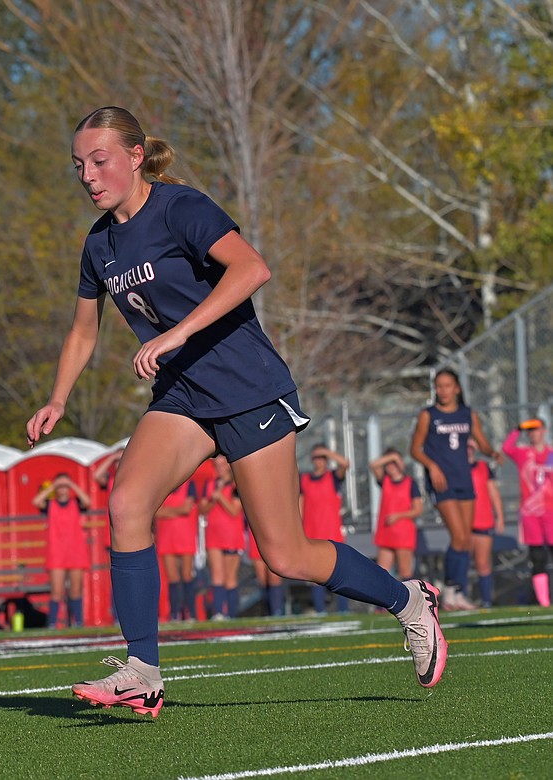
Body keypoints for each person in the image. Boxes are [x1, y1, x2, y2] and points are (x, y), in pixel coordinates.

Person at [26, 106, 447, 717]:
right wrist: (58, 396)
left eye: (100, 160)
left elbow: (253, 269)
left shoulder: (182, 208)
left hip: (248, 389)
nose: (88, 176)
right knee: (126, 504)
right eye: (79, 166)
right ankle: (142, 668)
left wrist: (175, 335)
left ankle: (409, 600)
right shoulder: (99, 244)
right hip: (183, 398)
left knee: (285, 554)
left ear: (136, 156)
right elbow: (83, 331)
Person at [410, 368, 502, 611]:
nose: (443, 390)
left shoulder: (468, 414)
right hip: (442, 483)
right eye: (439, 386)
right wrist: (432, 466)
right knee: (459, 537)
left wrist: (492, 453)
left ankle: (457, 591)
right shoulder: (428, 415)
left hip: (464, 480)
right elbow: (415, 449)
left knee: (466, 540)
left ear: (457, 388)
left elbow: (481, 442)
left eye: (447, 385)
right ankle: (450, 589)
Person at [501, 417, 553, 607]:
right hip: (531, 513)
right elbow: (507, 448)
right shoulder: (524, 453)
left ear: (544, 431)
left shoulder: (551, 454)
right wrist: (518, 429)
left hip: (551, 512)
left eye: (536, 429)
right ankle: (544, 602)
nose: (533, 433)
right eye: (530, 431)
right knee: (537, 556)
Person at [32, 473, 92, 628]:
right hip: (57, 552)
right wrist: (54, 486)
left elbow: (87, 501)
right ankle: (52, 623)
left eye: (65, 487)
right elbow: (36, 501)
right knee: (57, 591)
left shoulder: (75, 502)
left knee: (75, 590)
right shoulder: (50, 504)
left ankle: (78, 622)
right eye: (61, 487)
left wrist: (71, 484)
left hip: (76, 551)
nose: (63, 490)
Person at [300, 443, 351, 614]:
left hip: (332, 531)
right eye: (316, 458)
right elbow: (300, 504)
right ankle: (320, 609)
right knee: (315, 574)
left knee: (340, 571)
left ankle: (343, 609)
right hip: (312, 532)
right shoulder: (305, 479)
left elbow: (345, 464)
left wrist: (327, 451)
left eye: (322, 458)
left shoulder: (333, 477)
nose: (319, 461)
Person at [199, 455, 244, 619]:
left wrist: (220, 497)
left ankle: (232, 614)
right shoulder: (209, 484)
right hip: (213, 534)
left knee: (230, 578)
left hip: (232, 536)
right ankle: (218, 612)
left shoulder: (236, 484)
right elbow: (203, 508)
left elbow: (234, 511)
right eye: (216, 465)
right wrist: (213, 499)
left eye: (221, 464)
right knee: (216, 576)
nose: (219, 468)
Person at [370, 449, 424, 581]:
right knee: (382, 573)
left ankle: (408, 600)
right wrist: (391, 456)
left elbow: (418, 510)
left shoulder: (410, 483)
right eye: (388, 464)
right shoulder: (385, 481)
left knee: (405, 572)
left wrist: (398, 516)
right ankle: (384, 601)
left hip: (403, 534)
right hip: (386, 533)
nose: (391, 466)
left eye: (394, 463)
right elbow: (373, 465)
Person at [155, 478, 199, 621]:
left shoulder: (189, 485)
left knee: (187, 575)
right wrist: (177, 511)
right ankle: (174, 614)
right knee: (172, 578)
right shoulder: (161, 485)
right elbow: (156, 512)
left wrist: (167, 512)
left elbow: (186, 509)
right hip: (166, 537)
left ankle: (190, 613)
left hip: (185, 535)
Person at [469, 439, 505, 607]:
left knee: (483, 563)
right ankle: (458, 598)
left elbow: (493, 493)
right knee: (462, 562)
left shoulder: (483, 467)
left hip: (483, 520)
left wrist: (500, 517)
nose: (468, 451)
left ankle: (486, 600)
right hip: (464, 522)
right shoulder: (455, 468)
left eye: (471, 447)